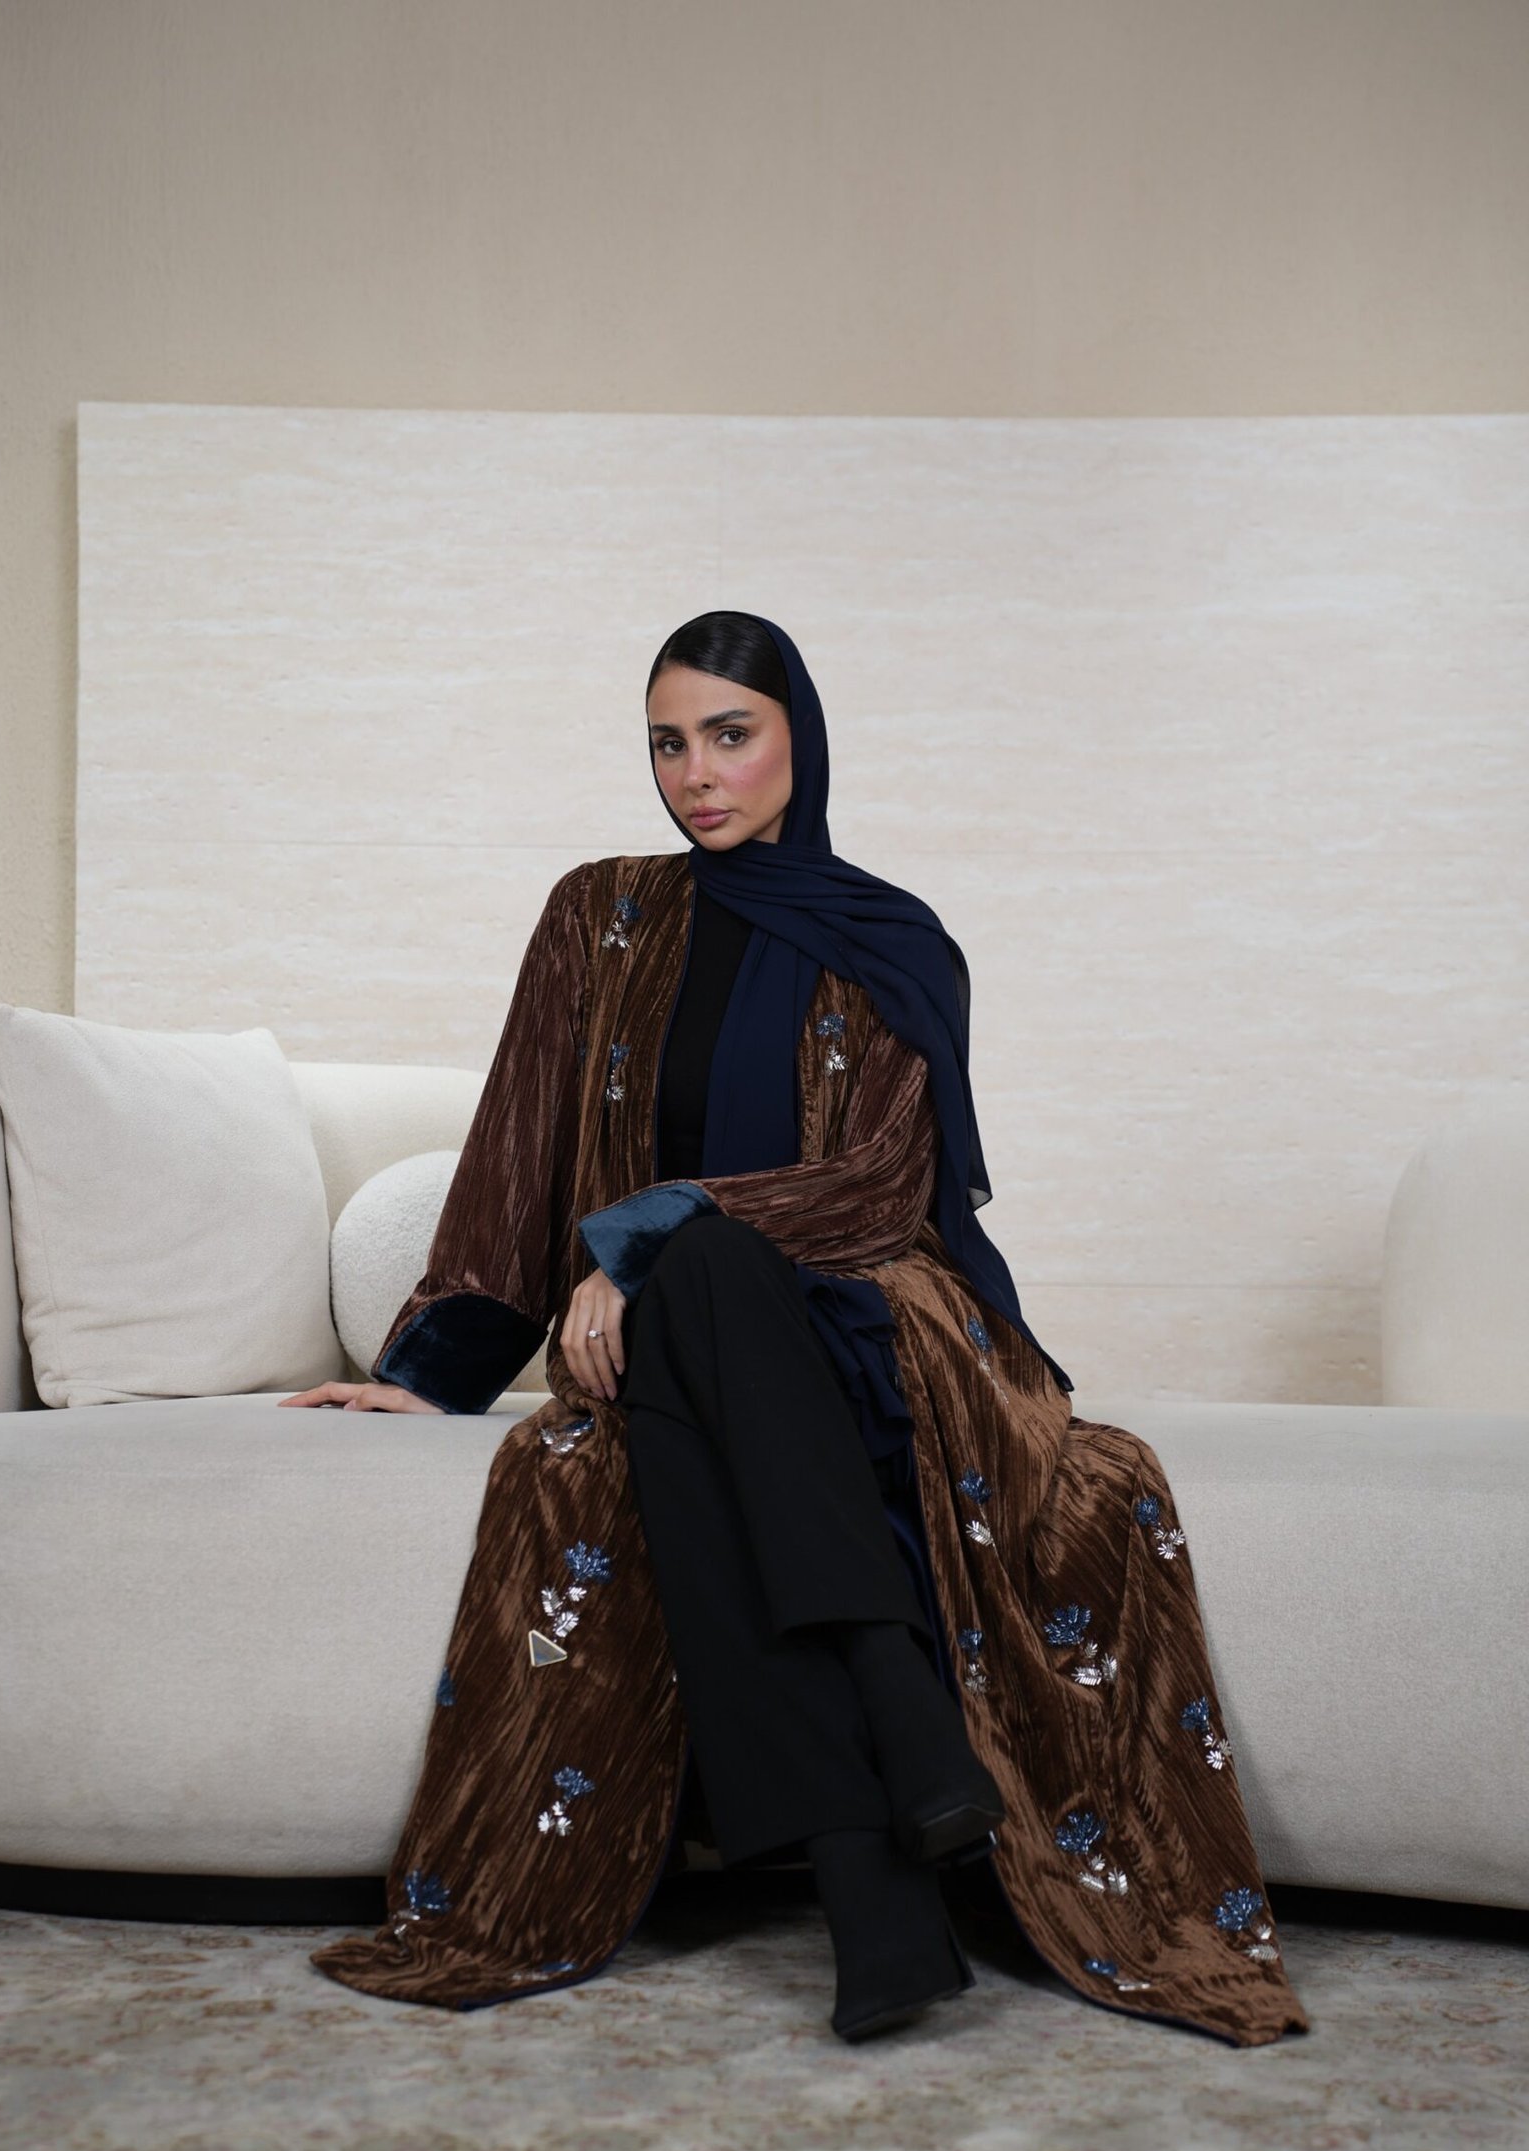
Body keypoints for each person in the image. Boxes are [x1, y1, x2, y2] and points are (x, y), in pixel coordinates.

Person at [285, 610, 1309, 2049]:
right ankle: (890, 1807)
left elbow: (882, 1188)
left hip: (878, 1316)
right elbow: (518, 1149)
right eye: (667, 742)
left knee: (703, 1266)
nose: (695, 774)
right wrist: (434, 1375)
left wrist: (649, 1235)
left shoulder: (894, 940)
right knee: (696, 1315)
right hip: (685, 1341)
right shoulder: (599, 916)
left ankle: (865, 1859)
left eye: (730, 734)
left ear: (798, 740)